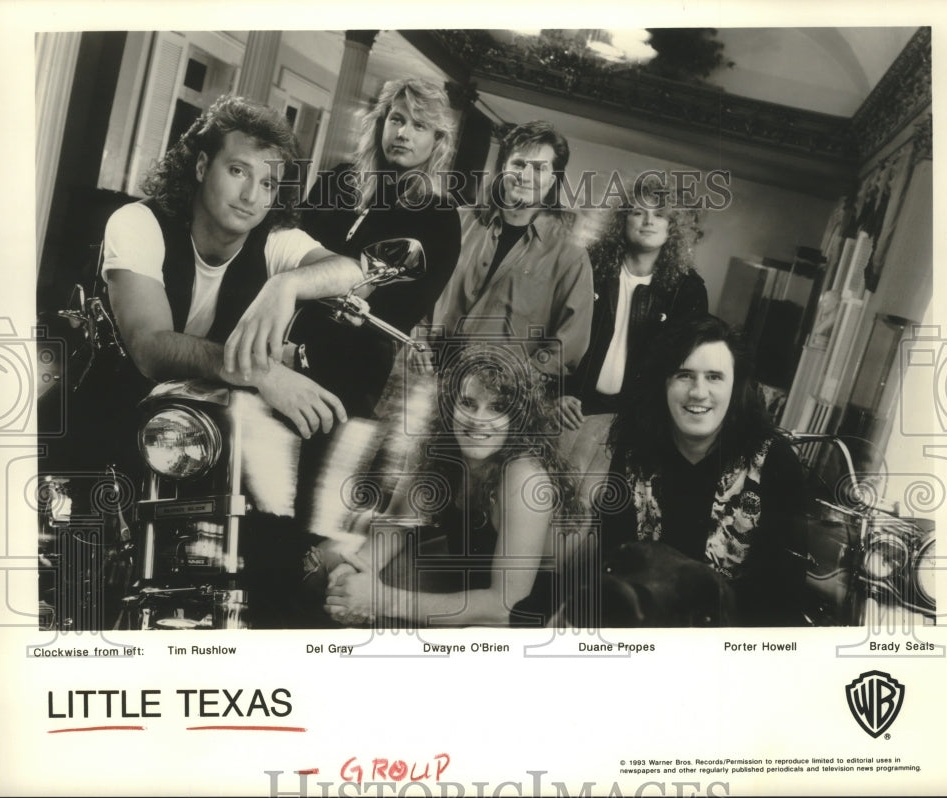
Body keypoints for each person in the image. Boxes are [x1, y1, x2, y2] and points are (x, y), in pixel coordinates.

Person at [102, 94, 365, 440]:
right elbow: (150, 348)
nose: (251, 196)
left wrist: (284, 285)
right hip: (107, 418)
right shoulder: (137, 222)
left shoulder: (274, 239)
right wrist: (261, 372)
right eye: (238, 171)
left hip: (193, 434)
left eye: (268, 183)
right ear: (201, 166)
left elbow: (352, 273)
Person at [322, 345, 583, 628]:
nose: (478, 419)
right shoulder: (441, 452)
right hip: (468, 584)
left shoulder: (524, 478)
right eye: (468, 403)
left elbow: (506, 607)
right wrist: (355, 568)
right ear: (450, 407)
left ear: (518, 419)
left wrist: (383, 599)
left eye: (497, 408)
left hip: (526, 613)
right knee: (328, 568)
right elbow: (396, 526)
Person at [602, 315, 808, 626]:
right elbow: (613, 561)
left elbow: (781, 602)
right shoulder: (635, 450)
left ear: (736, 387)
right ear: (663, 383)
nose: (698, 392)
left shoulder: (774, 462)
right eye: (684, 375)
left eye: (714, 377)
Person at [298, 77, 462, 418]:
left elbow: (396, 310)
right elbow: (292, 245)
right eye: (397, 119)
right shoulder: (338, 179)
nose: (403, 133)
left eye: (419, 126)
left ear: (437, 141)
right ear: (381, 123)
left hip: (350, 370)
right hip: (281, 337)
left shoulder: (439, 217)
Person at [559, 181, 707, 510]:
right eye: (638, 212)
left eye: (660, 215)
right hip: (573, 408)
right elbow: (555, 331)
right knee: (547, 497)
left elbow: (686, 368)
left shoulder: (688, 289)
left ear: (673, 227)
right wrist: (559, 390)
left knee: (586, 513)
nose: (648, 221)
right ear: (622, 221)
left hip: (630, 425)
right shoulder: (589, 267)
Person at [427, 121, 593, 381]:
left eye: (539, 168)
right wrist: (417, 342)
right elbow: (419, 287)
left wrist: (517, 383)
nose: (525, 176)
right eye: (518, 164)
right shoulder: (456, 222)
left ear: (554, 179)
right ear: (503, 168)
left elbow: (567, 345)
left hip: (497, 397)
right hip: (426, 375)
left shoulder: (570, 255)